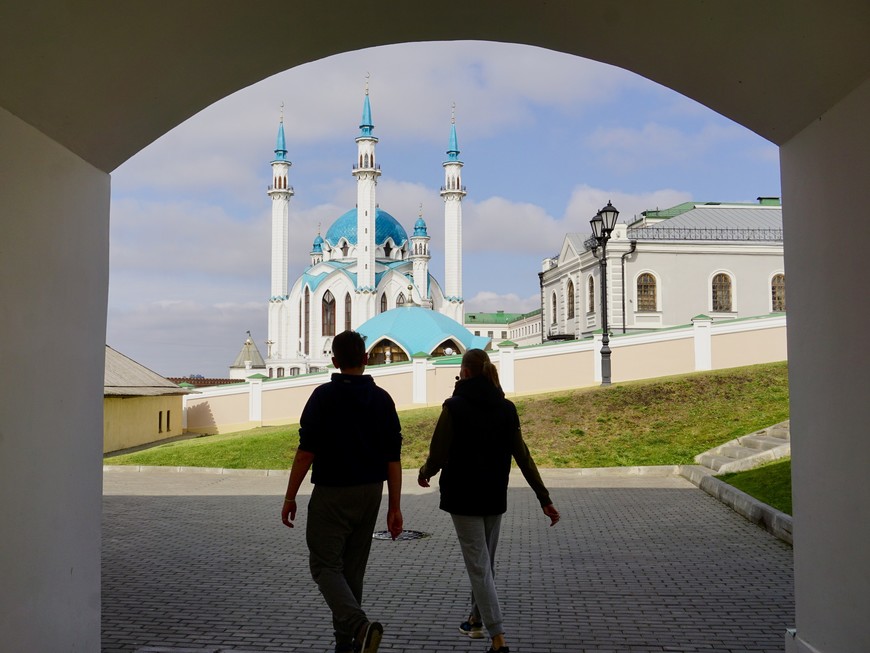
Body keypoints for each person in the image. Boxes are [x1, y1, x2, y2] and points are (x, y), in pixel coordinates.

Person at [418, 348, 560, 653]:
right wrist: (543, 498)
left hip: (463, 497)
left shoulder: (454, 407)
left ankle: (498, 637)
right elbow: (523, 456)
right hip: (494, 495)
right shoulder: (506, 409)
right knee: (486, 564)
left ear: (465, 372)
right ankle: (475, 620)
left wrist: (425, 472)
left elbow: (438, 452)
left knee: (479, 566)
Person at [281, 330, 403, 653]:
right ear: (365, 359)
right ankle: (345, 643)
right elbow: (393, 458)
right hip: (371, 494)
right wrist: (395, 507)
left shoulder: (323, 397)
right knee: (352, 570)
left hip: (332, 494)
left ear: (334, 361)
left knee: (324, 566)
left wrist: (290, 496)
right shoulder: (383, 400)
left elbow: (306, 452)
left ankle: (359, 629)